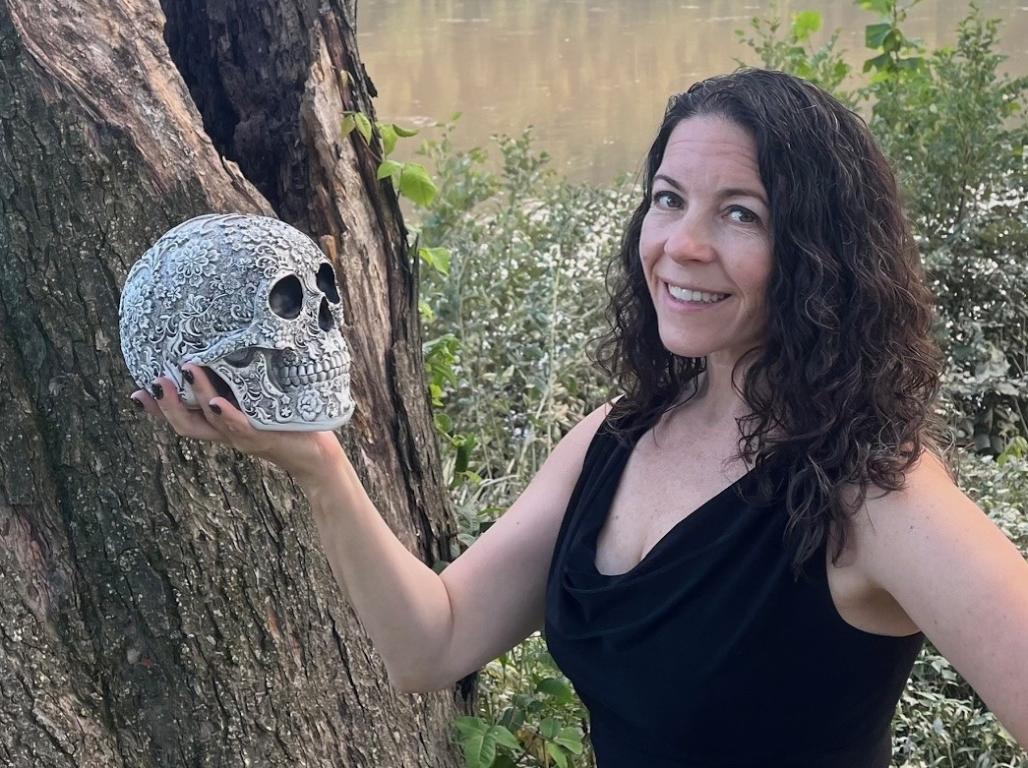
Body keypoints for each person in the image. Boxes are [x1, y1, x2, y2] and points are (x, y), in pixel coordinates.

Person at [131, 68, 1028, 766]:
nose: (681, 243)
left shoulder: (873, 491)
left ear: (822, 253)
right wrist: (318, 465)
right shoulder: (618, 436)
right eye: (669, 198)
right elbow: (431, 644)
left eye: (741, 213)